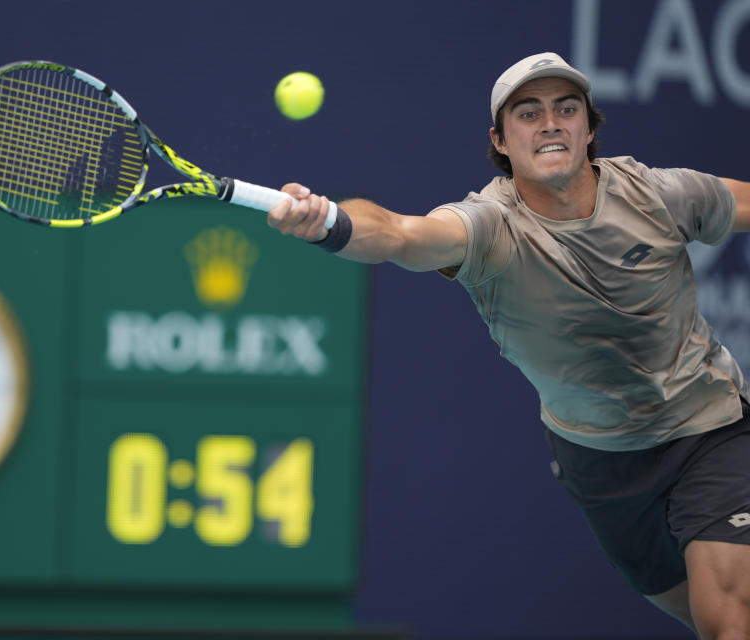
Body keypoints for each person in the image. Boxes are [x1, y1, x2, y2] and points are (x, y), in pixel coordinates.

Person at [267, 52, 750, 639]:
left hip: (711, 429)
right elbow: (396, 232)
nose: (550, 122)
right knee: (701, 616)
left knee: (729, 619)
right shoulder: (490, 227)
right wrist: (328, 224)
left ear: (588, 129)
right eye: (528, 112)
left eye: (566, 108)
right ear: (500, 139)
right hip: (601, 465)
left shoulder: (661, 195)